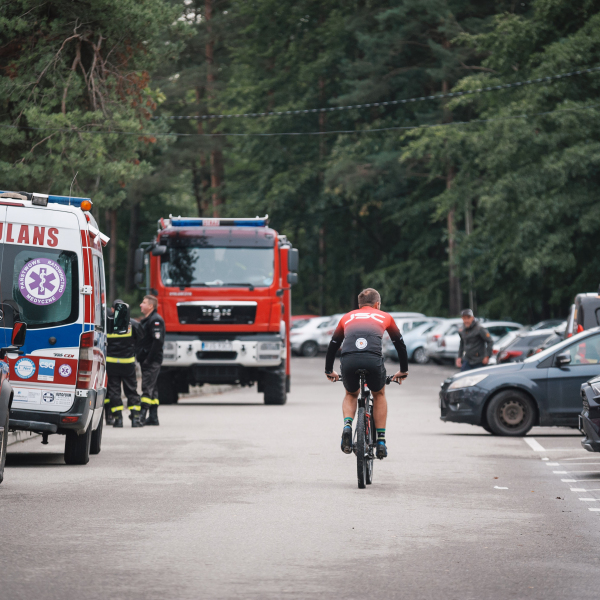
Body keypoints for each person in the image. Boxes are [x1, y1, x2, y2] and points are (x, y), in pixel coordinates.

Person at [324, 288, 408, 459]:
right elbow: (399, 344)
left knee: (351, 394)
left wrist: (329, 370)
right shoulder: (385, 316)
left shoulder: (347, 317)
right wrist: (403, 370)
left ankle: (347, 426)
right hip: (372, 360)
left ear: (359, 305)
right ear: (377, 304)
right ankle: (381, 441)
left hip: (349, 361)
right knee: (379, 394)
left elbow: (333, 344)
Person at [106, 299, 143, 428]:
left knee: (114, 391)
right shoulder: (133, 324)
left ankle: (118, 420)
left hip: (111, 363)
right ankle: (135, 419)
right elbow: (141, 341)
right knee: (131, 390)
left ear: (112, 310)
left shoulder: (106, 324)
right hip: (128, 363)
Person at [137, 295, 165, 426]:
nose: (140, 305)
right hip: (147, 360)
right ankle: (153, 417)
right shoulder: (148, 320)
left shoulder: (155, 320)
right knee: (152, 389)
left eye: (143, 302)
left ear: (150, 306)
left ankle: (141, 416)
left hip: (151, 361)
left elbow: (157, 342)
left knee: (147, 387)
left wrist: (148, 359)